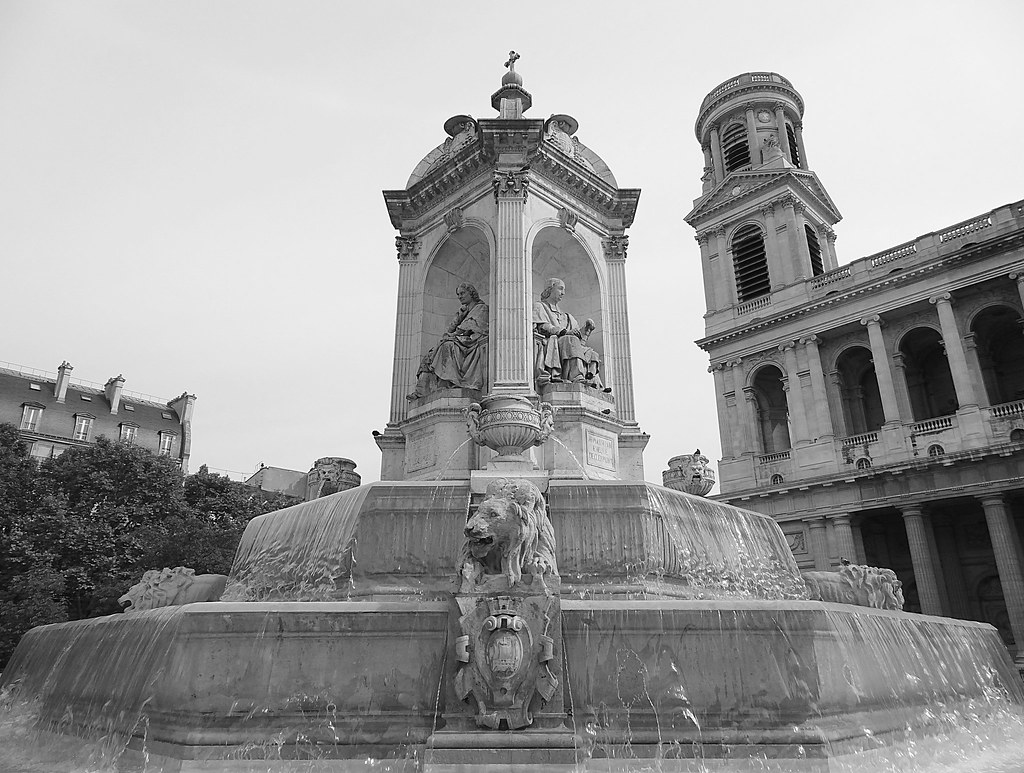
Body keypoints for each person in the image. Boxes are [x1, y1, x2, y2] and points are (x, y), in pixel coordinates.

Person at [408, 283, 489, 400]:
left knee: (447, 345)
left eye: (462, 293)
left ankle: (448, 381)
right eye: (458, 294)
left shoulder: (481, 308)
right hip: (461, 341)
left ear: (471, 293)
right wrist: (459, 316)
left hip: (472, 342)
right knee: (431, 354)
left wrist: (454, 334)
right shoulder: (464, 311)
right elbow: (451, 329)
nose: (460, 297)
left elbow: (472, 327)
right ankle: (421, 391)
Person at [533, 278, 607, 390]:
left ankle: (593, 382)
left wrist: (586, 330)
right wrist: (564, 332)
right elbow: (543, 326)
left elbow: (579, 339)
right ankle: (577, 377)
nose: (563, 293)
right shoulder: (540, 306)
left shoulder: (566, 316)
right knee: (570, 340)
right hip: (553, 343)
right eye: (560, 288)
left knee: (591, 353)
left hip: (568, 344)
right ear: (550, 289)